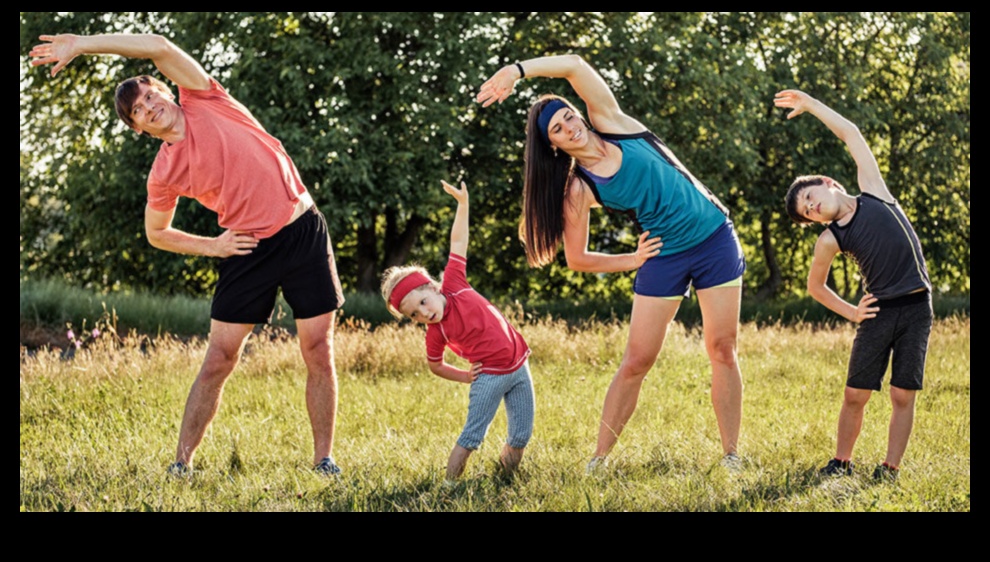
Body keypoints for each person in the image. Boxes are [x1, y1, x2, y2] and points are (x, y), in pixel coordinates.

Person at [29, 33, 346, 477]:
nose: (148, 106)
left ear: (164, 89)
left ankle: (323, 460)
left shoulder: (203, 97)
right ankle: (181, 464)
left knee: (317, 349)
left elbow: (157, 45)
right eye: (137, 111)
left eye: (149, 95)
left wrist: (82, 44)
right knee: (219, 359)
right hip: (246, 248)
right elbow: (156, 233)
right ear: (139, 129)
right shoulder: (163, 173)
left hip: (302, 232)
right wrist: (213, 246)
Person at [476, 54, 745, 472]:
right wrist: (632, 259)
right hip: (664, 255)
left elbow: (574, 65)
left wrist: (516, 71)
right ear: (553, 145)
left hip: (715, 239)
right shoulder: (580, 188)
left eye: (569, 116)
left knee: (722, 349)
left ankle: (731, 455)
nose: (570, 127)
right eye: (558, 129)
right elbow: (577, 258)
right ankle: (598, 460)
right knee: (637, 361)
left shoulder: (613, 123)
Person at [777, 89, 933, 482]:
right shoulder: (831, 239)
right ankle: (841, 462)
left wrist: (811, 105)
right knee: (855, 394)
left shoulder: (874, 191)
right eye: (807, 212)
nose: (812, 208)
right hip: (878, 313)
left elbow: (851, 133)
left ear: (828, 183)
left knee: (902, 394)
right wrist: (852, 312)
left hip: (917, 308)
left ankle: (890, 468)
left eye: (810, 197)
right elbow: (816, 286)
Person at [380, 180, 535, 481]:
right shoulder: (435, 333)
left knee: (520, 435)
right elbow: (435, 365)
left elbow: (459, 241)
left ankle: (505, 479)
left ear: (432, 287)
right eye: (414, 315)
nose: (423, 313)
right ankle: (449, 486)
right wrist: (464, 376)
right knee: (472, 437)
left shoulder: (455, 283)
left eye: (422, 302)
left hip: (519, 365)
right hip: (489, 376)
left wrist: (463, 204)